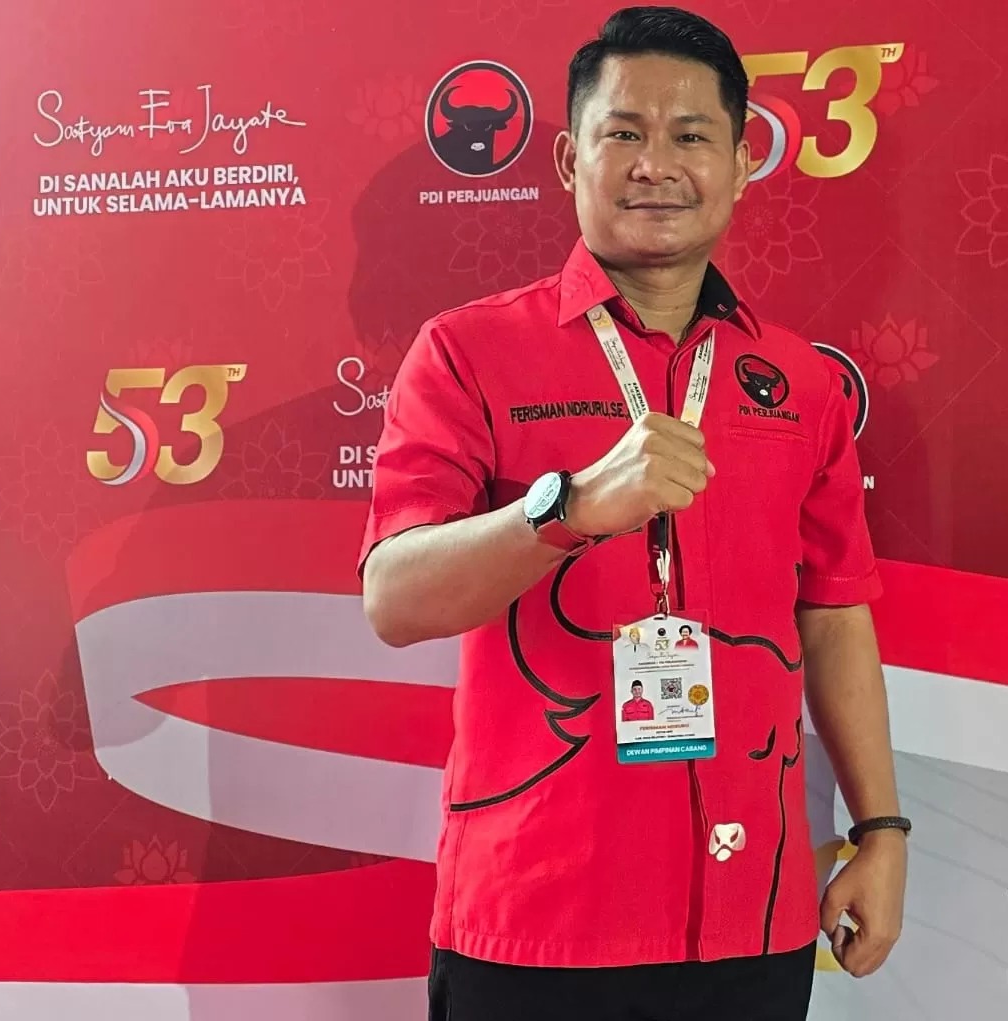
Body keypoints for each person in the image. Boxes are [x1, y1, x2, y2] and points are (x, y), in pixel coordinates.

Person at [358, 6, 908, 1019]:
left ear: (741, 164)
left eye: (691, 135)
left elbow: (834, 612)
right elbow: (394, 597)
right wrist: (565, 510)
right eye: (624, 133)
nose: (657, 163)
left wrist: (881, 830)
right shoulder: (466, 352)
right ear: (571, 158)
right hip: (537, 916)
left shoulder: (799, 381)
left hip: (751, 913)